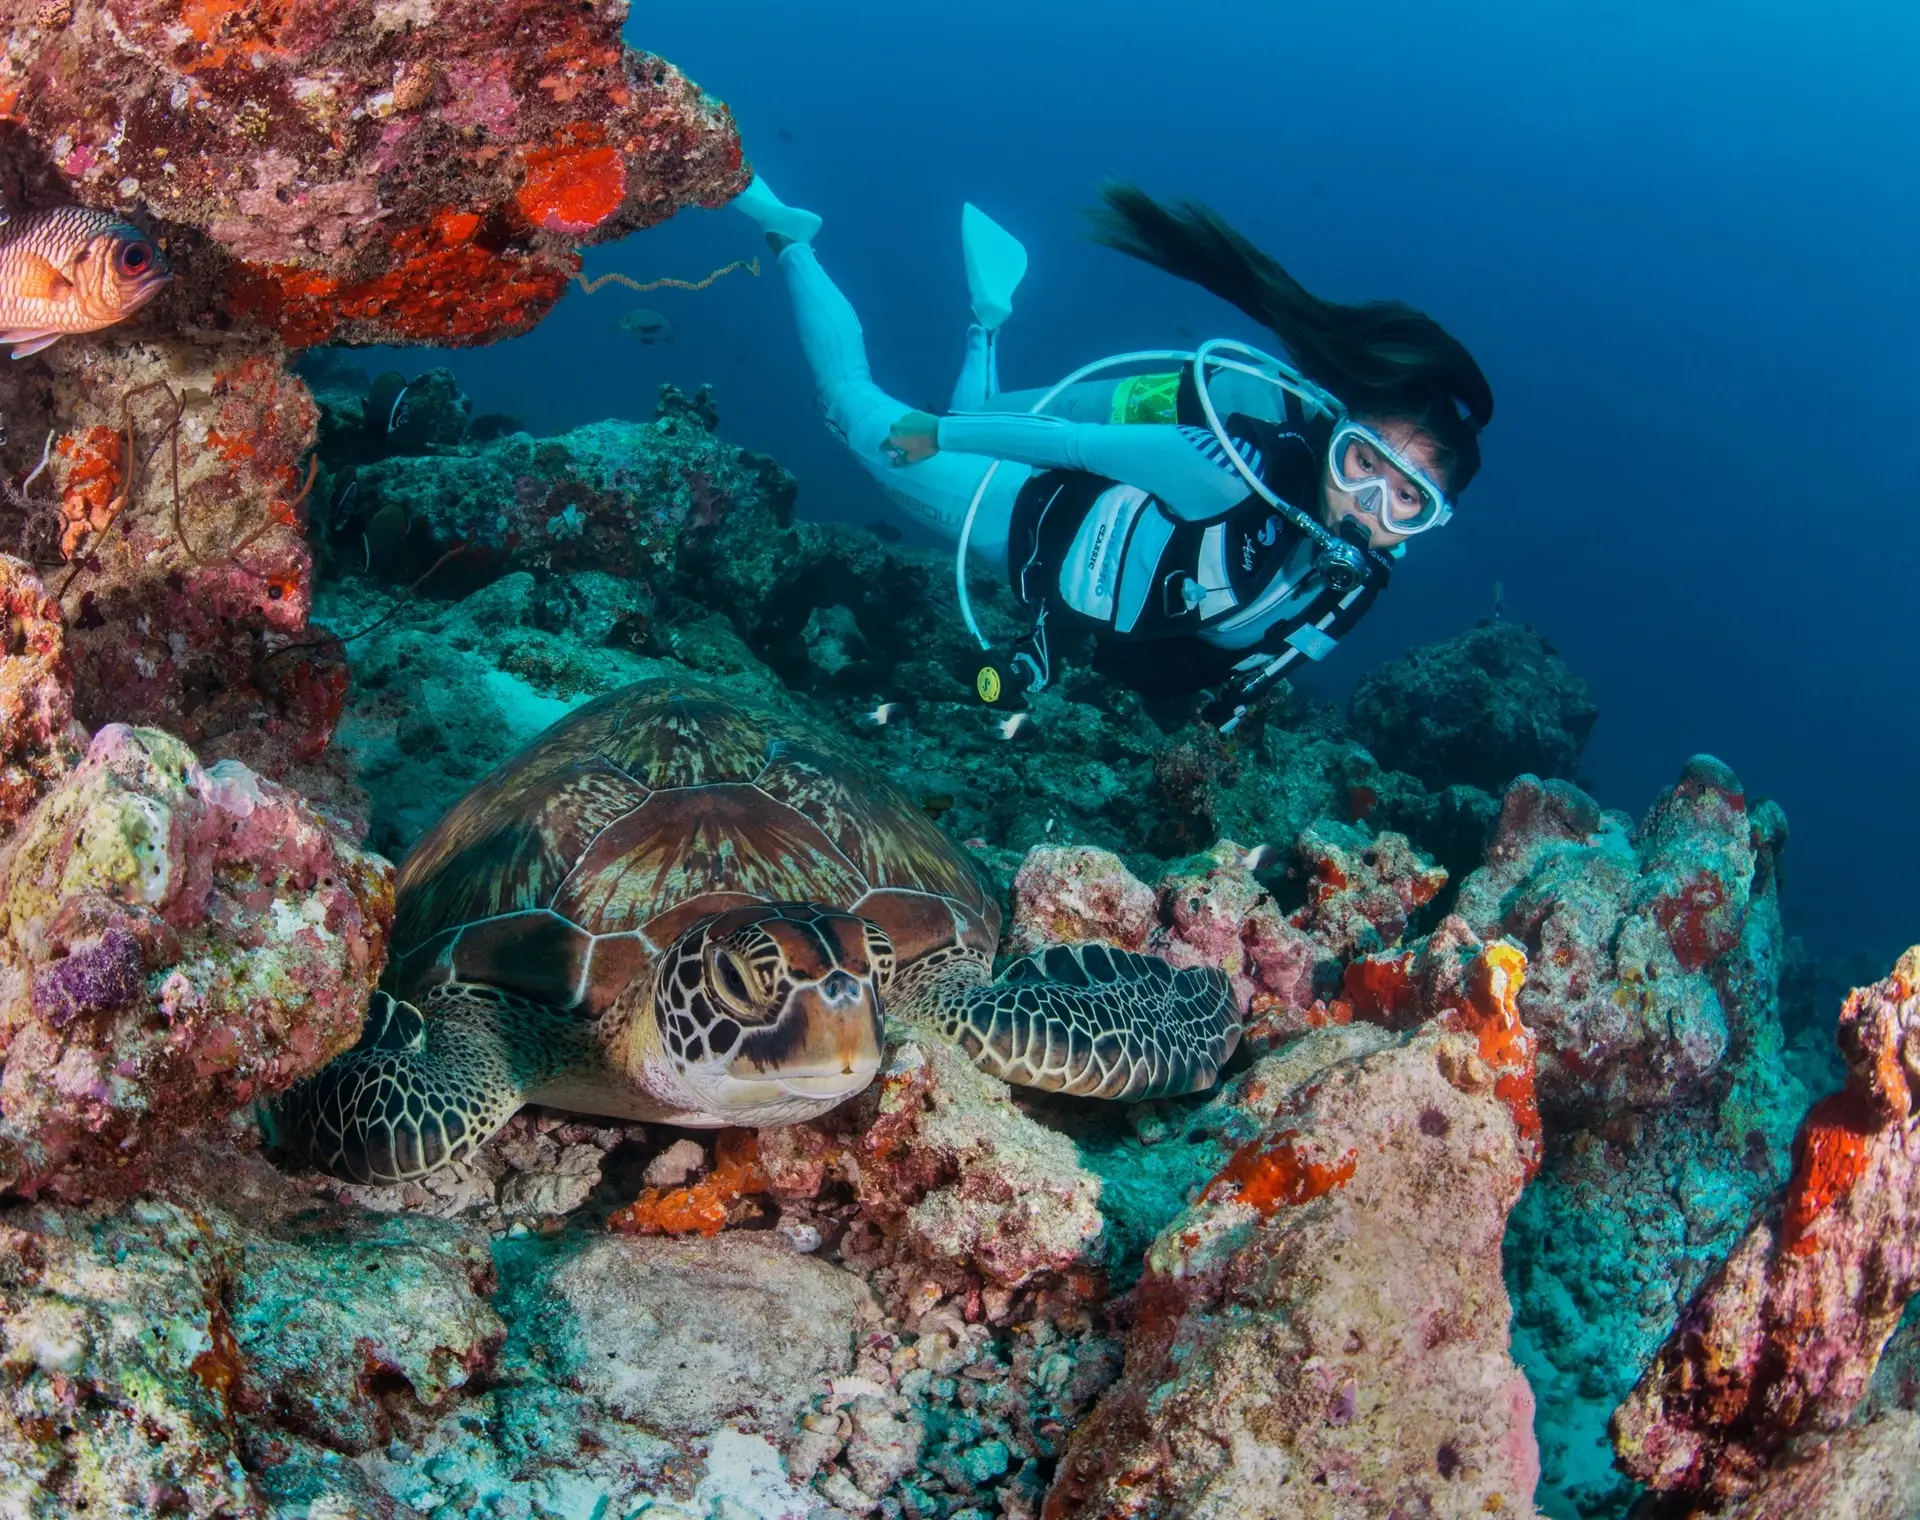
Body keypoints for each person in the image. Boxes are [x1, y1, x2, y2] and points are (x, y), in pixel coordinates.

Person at [733, 177, 1494, 730]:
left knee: (956, 416)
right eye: (1363, 465)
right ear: (1336, 440)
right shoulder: (1231, 473)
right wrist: (939, 434)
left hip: (1053, 577)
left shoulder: (1352, 586)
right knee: (854, 413)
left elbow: (1259, 648)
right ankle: (789, 236)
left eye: (1407, 499)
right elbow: (1076, 442)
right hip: (1017, 514)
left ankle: (986, 320)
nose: (1368, 506)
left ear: (1430, 521)